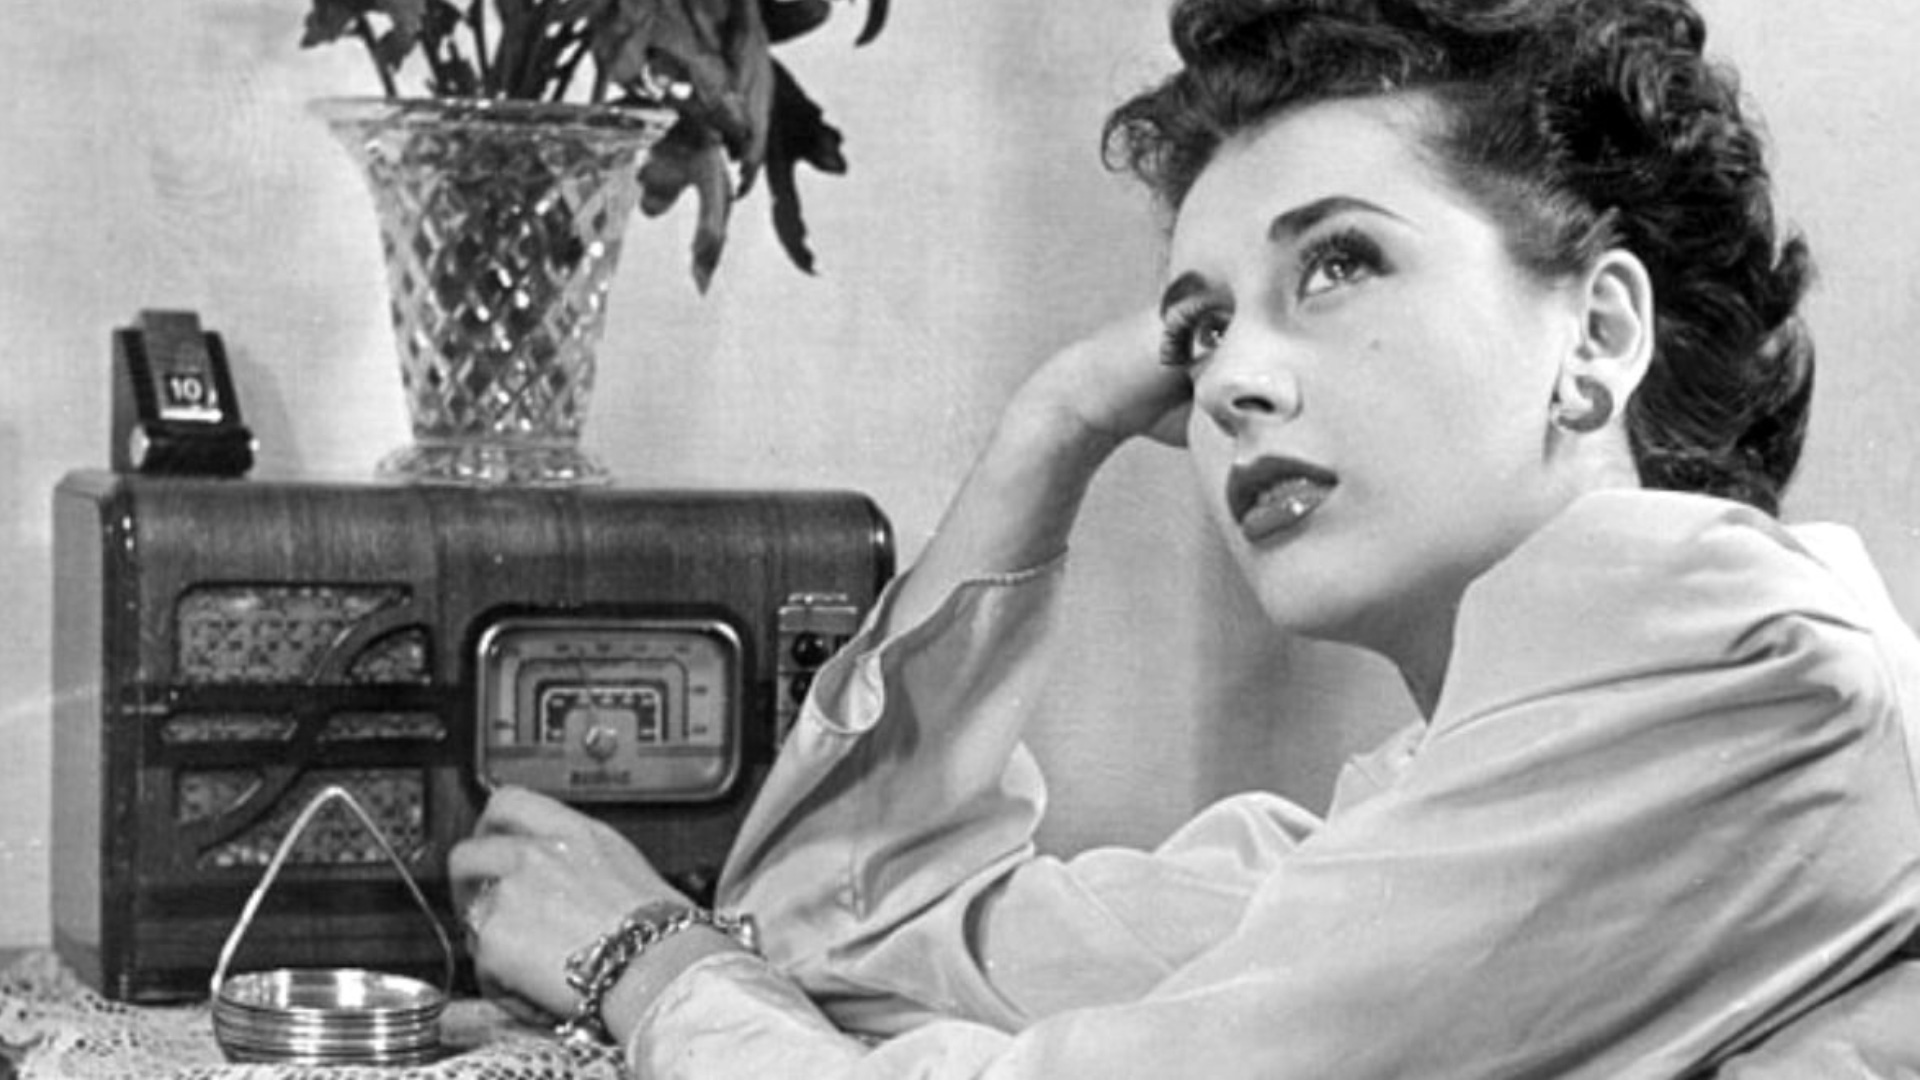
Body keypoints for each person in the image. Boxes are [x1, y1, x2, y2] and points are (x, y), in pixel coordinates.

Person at [448, 0, 1920, 1075]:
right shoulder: (1412, 822)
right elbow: (834, 938)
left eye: (1338, 263)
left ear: (1595, 336)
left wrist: (646, 963)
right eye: (1200, 330)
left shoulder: (1743, 662)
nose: (1227, 382)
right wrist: (1056, 422)